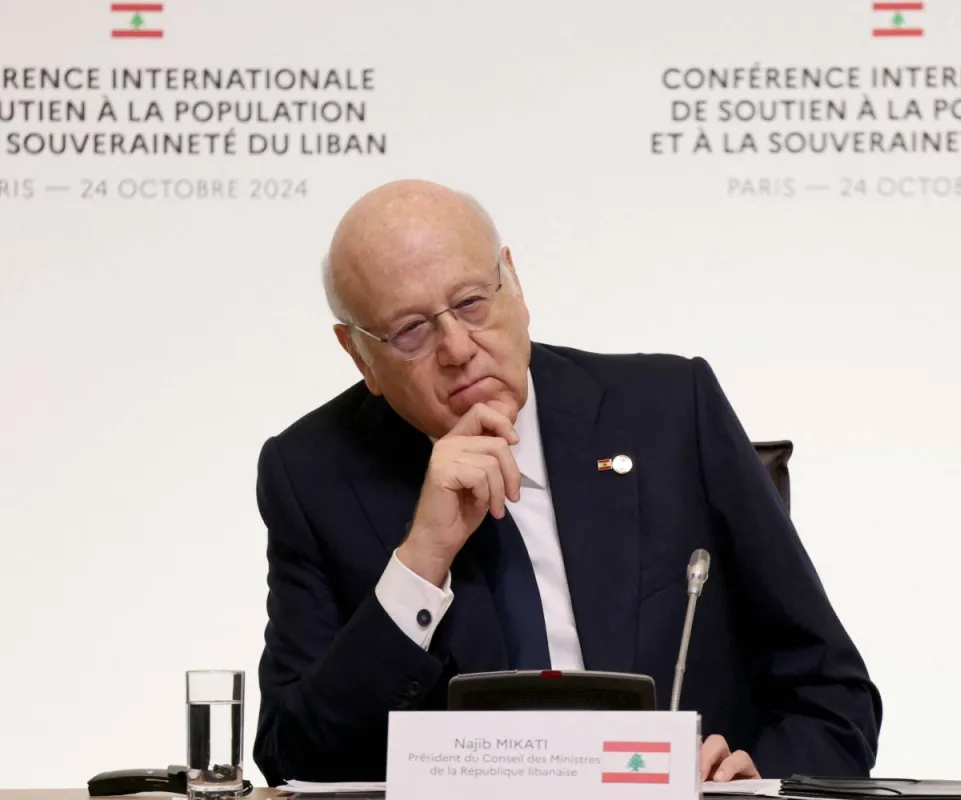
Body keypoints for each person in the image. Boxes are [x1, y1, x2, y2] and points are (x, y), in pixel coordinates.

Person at [252, 179, 882, 786]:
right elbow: (292, 757)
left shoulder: (668, 411)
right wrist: (421, 561)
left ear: (514, 282)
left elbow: (833, 694)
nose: (458, 349)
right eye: (411, 330)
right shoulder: (311, 474)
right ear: (359, 354)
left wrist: (751, 785)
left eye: (471, 303)